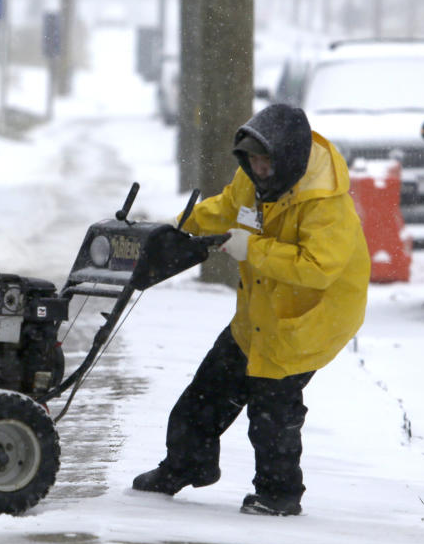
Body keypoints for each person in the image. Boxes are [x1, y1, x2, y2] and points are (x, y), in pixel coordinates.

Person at [132, 103, 371, 516]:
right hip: (258, 312)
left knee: (272, 411)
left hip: (309, 318)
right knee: (208, 390)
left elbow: (317, 268)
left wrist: (252, 248)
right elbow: (225, 208)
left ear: (289, 159)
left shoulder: (324, 204)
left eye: (266, 162)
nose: (259, 170)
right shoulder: (253, 181)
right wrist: (177, 228)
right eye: (253, 161)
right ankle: (186, 465)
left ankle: (279, 494)